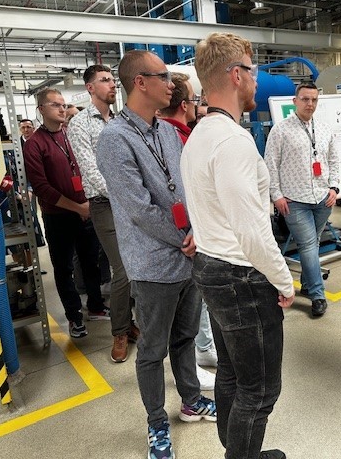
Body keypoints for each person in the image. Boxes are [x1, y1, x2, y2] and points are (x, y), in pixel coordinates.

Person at [96, 50, 216, 459]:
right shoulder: (114, 139)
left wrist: (197, 230)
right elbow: (139, 208)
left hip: (187, 255)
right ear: (140, 82)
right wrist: (183, 235)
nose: (172, 84)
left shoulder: (165, 131)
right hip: (153, 263)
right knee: (152, 350)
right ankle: (156, 424)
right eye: (163, 76)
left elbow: (187, 186)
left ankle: (191, 400)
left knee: (185, 338)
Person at [180, 32, 294, 459]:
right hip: (241, 276)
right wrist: (284, 281)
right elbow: (252, 232)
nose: (257, 80)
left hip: (212, 267)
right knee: (260, 390)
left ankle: (238, 450)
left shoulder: (200, 135)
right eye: (253, 70)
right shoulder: (232, 142)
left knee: (231, 372)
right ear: (235, 75)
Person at [23, 88, 110, 339]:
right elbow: (42, 188)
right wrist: (78, 207)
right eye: (55, 105)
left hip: (85, 210)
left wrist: (87, 204)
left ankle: (95, 306)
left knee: (90, 262)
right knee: (64, 268)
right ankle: (74, 317)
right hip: (58, 216)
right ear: (41, 110)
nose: (62, 109)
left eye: (63, 104)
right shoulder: (34, 145)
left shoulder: (72, 135)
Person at [67, 64, 139, 363]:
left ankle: (132, 322)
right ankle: (120, 331)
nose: (112, 84)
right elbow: (91, 171)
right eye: (105, 80)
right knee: (122, 269)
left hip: (131, 201)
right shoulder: (79, 124)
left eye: (112, 79)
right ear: (90, 87)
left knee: (138, 264)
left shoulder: (122, 120)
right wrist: (126, 195)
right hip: (105, 204)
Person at [158, 72, 219, 378]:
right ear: (185, 105)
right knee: (182, 314)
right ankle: (191, 363)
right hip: (181, 239)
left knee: (198, 301)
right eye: (195, 100)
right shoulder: (170, 138)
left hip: (191, 233)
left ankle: (203, 347)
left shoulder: (182, 135)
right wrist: (191, 232)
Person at [264, 82, 340, 317]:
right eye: (305, 99)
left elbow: (334, 160)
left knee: (313, 244)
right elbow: (270, 164)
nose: (310, 104)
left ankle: (307, 284)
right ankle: (318, 295)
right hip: (294, 200)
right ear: (295, 101)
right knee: (307, 245)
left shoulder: (325, 129)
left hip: (322, 198)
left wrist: (334, 187)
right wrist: (276, 195)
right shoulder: (281, 130)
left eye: (314, 100)